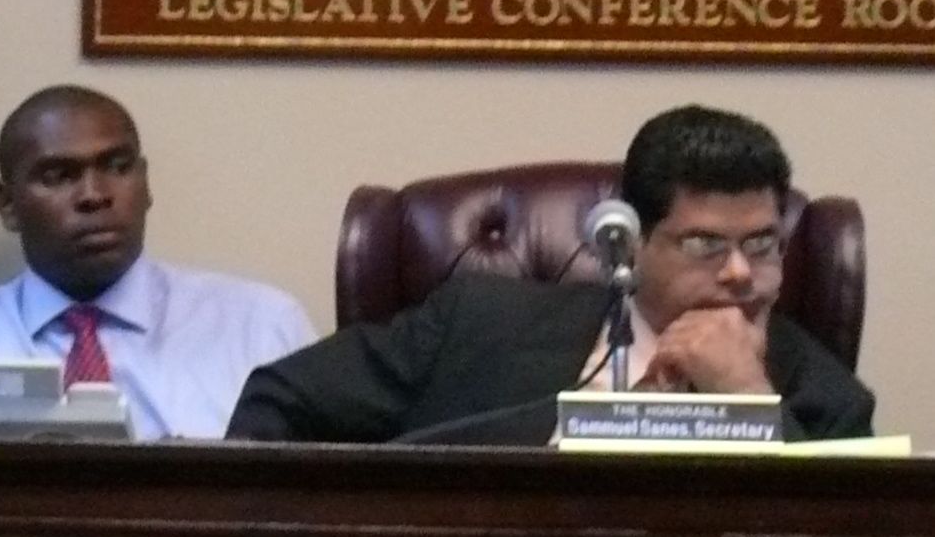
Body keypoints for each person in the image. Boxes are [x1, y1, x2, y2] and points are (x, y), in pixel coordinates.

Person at [225, 105, 875, 443]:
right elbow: (278, 401)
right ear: (632, 241)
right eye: (705, 244)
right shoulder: (477, 324)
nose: (741, 273)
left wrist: (749, 402)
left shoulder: (826, 398)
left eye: (761, 244)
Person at [0, 85, 315, 439]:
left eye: (117, 166)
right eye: (58, 176)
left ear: (145, 184)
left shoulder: (262, 330)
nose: (94, 195)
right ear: (8, 206)